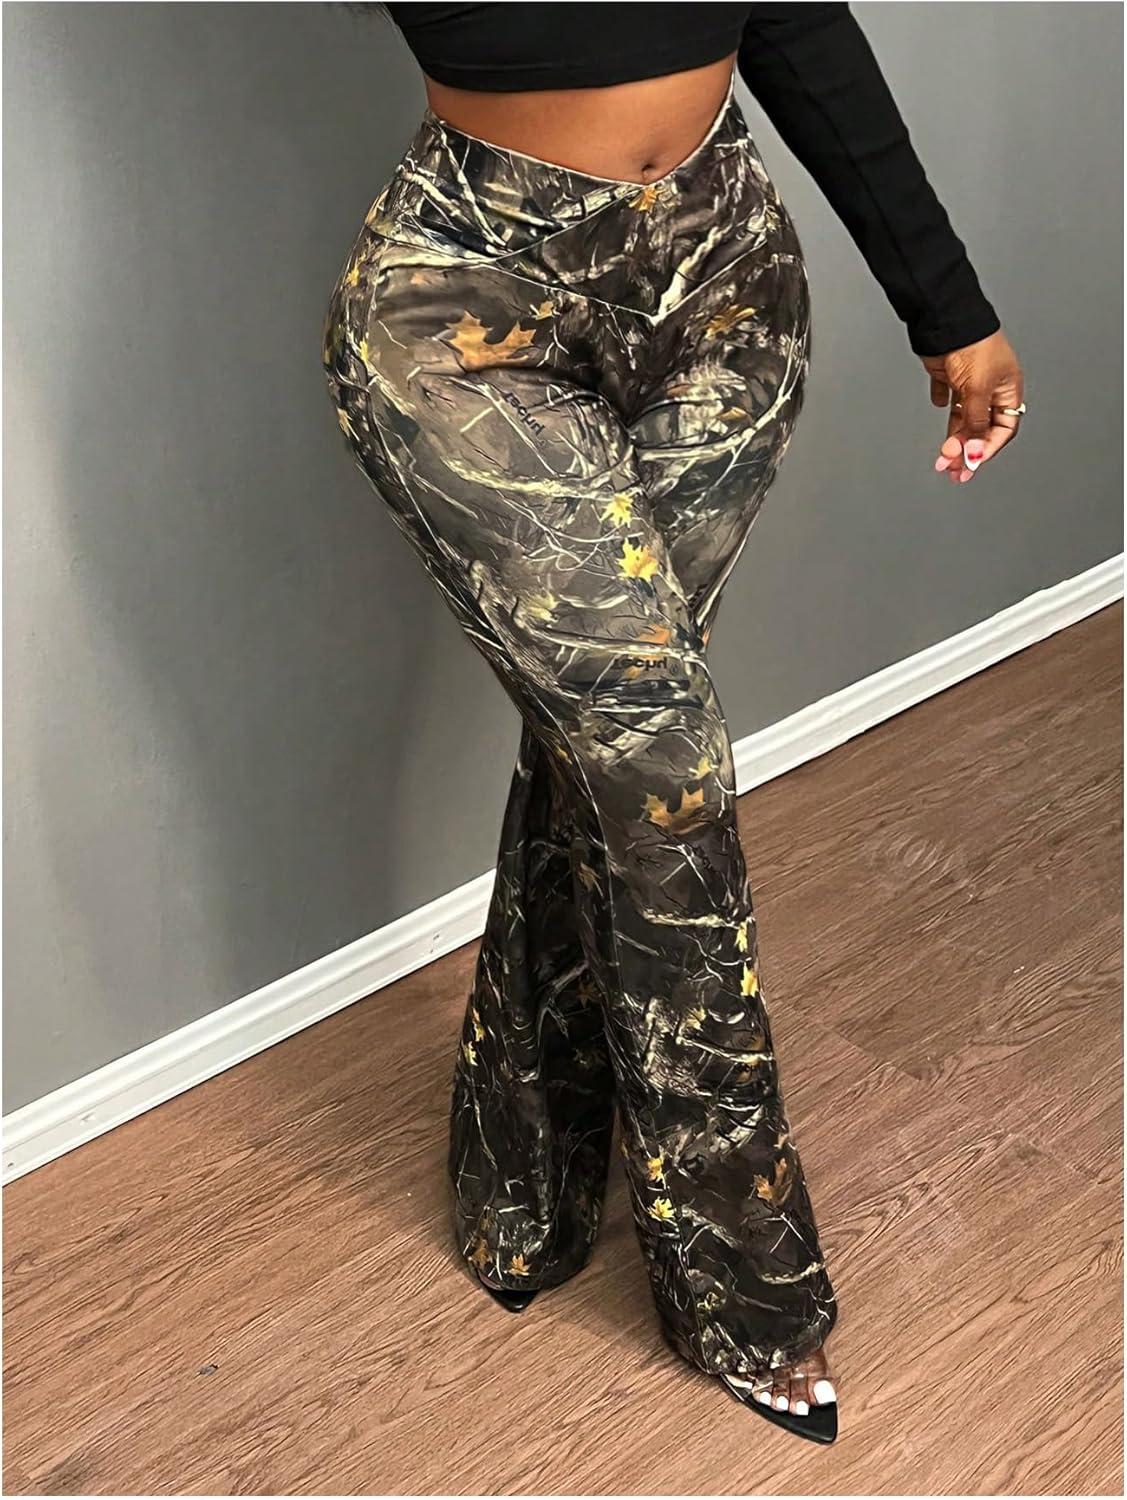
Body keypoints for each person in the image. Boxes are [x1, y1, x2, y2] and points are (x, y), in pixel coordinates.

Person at [322, 1, 1025, 1445]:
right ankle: (747, 1290)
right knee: (660, 773)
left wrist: (945, 301)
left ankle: (522, 1182)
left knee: (604, 764)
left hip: (724, 288)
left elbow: (799, 19)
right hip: (464, 306)